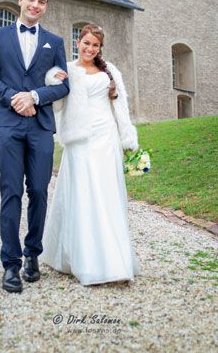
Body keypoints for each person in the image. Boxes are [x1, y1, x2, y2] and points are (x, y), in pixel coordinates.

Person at [0, 0, 69, 293]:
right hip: (8, 124)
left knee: (40, 191)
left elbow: (62, 86)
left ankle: (33, 254)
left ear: (45, 6)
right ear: (20, 1)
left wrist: (34, 96)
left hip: (41, 126)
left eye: (41, 1)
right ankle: (11, 264)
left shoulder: (54, 42)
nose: (35, 5)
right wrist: (13, 98)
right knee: (11, 191)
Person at [41, 23, 140, 285]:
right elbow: (58, 105)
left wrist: (127, 137)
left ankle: (114, 260)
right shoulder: (68, 70)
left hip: (106, 136)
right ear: (78, 42)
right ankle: (81, 259)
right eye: (86, 43)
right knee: (83, 192)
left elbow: (121, 107)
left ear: (99, 48)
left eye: (95, 45)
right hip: (79, 139)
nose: (89, 48)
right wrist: (53, 81)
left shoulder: (110, 72)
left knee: (106, 193)